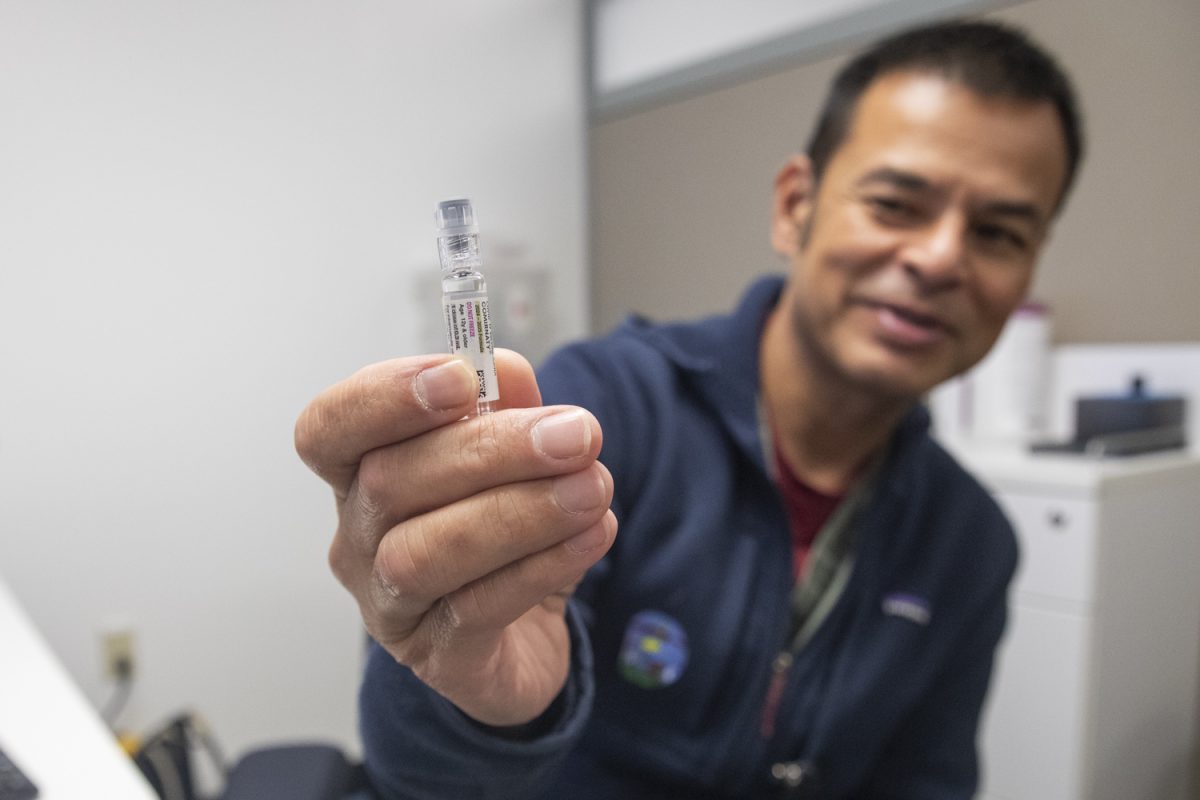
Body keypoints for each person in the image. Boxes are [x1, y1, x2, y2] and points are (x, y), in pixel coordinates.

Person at [295, 18, 1083, 800]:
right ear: (794, 207)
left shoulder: (968, 539)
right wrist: (475, 703)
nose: (941, 257)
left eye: (998, 233)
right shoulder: (599, 417)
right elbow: (420, 780)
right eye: (895, 204)